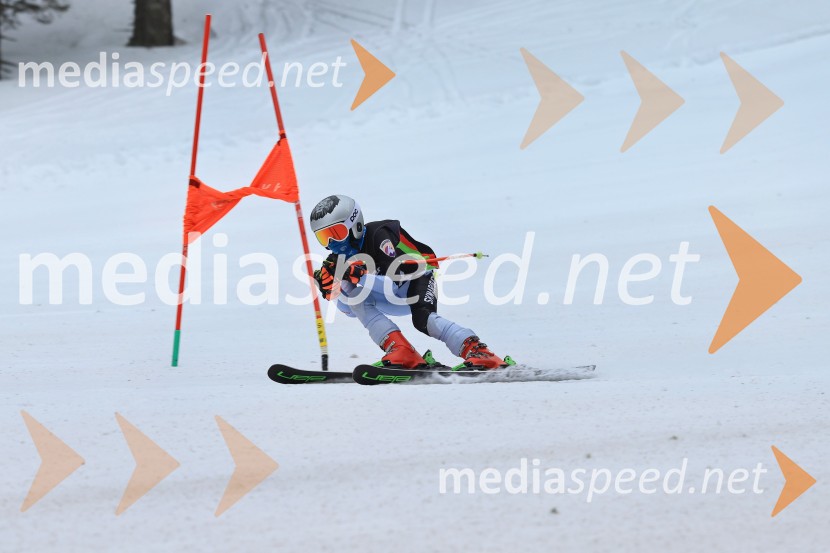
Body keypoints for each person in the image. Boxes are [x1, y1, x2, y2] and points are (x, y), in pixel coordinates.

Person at [309, 194, 507, 369]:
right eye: (323, 237)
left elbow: (392, 287)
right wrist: (332, 291)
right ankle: (401, 350)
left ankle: (478, 351)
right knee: (351, 295)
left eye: (336, 233)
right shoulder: (337, 260)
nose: (331, 244)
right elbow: (349, 310)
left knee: (423, 320)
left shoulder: (379, 236)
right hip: (389, 292)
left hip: (416, 279)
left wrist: (359, 276)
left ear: (355, 225)